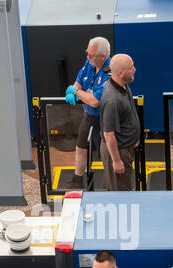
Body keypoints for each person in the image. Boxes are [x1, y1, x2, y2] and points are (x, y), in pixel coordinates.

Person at [65, 37, 111, 189]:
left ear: (103, 57)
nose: (87, 57)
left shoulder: (109, 72)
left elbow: (94, 101)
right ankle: (77, 179)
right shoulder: (89, 64)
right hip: (88, 116)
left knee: (106, 153)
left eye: (91, 55)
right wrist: (75, 89)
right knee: (81, 146)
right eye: (87, 53)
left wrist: (75, 91)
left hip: (104, 120)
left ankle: (109, 181)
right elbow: (78, 81)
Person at [99, 54, 141, 191]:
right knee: (123, 194)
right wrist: (116, 160)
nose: (134, 69)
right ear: (121, 73)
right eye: (131, 68)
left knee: (124, 186)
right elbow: (109, 134)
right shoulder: (113, 100)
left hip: (125, 147)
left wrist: (133, 137)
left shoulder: (123, 85)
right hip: (117, 151)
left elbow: (127, 116)